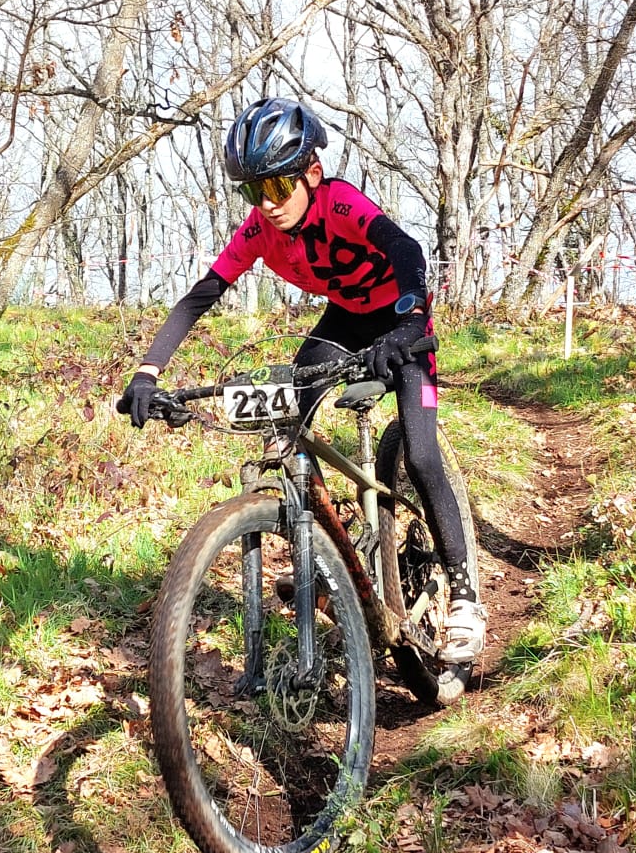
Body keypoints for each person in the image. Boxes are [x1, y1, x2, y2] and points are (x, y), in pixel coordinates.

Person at [117, 97, 485, 664]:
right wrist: (147, 372)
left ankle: (463, 596)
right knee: (288, 424)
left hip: (399, 317)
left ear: (311, 174)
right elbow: (200, 297)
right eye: (251, 192)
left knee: (421, 450)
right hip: (344, 318)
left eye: (276, 188)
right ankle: (320, 558)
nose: (265, 206)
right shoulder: (260, 233)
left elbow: (405, 249)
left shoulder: (340, 204)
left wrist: (410, 323)